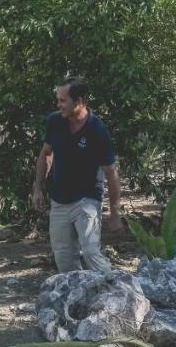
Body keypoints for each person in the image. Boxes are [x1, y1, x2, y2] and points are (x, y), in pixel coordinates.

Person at [32, 76, 123, 272]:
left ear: (79, 102)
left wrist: (115, 213)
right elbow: (45, 154)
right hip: (59, 199)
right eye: (58, 100)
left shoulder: (97, 130)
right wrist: (37, 188)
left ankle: (117, 289)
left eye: (63, 100)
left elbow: (111, 173)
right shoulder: (55, 121)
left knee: (91, 252)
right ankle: (80, 297)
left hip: (86, 198)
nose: (58, 104)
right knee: (63, 258)